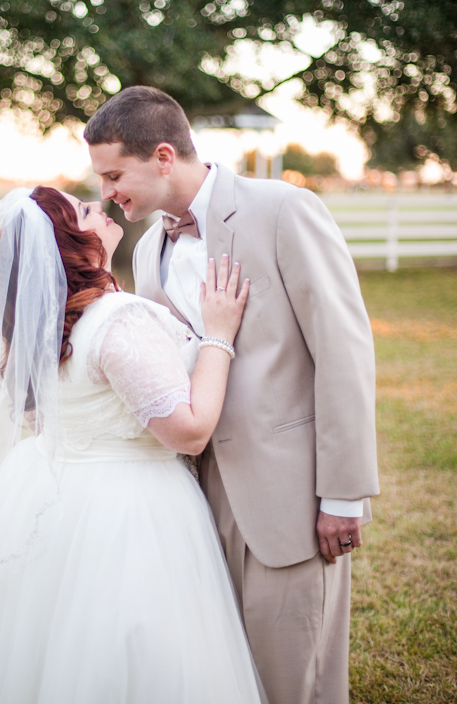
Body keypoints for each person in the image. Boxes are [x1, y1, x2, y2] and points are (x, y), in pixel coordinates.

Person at [84, 85, 380, 704]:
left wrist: (344, 494)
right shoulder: (151, 247)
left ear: (163, 156)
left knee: (297, 676)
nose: (107, 193)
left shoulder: (283, 210)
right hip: (194, 494)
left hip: (290, 494)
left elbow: (343, 349)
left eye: (114, 175)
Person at [0, 185, 268, 704]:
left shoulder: (43, 330)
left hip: (53, 496)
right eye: (84, 210)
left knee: (48, 642)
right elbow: (190, 432)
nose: (100, 206)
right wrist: (218, 334)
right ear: (69, 244)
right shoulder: (117, 321)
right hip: (132, 508)